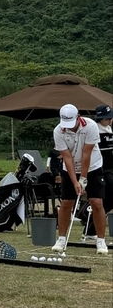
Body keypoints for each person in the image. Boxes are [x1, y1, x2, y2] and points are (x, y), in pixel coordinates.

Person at [51, 103, 108, 253]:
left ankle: (101, 241)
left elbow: (86, 154)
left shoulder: (90, 126)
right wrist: (75, 181)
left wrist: (82, 179)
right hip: (69, 169)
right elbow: (67, 158)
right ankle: (61, 239)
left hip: (93, 167)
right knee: (66, 203)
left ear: (78, 117)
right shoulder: (58, 131)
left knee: (96, 202)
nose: (69, 127)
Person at [94, 103, 113, 217]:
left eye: (111, 118)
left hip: (110, 167)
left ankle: (100, 216)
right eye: (107, 119)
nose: (110, 121)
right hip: (101, 168)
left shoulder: (109, 130)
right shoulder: (96, 130)